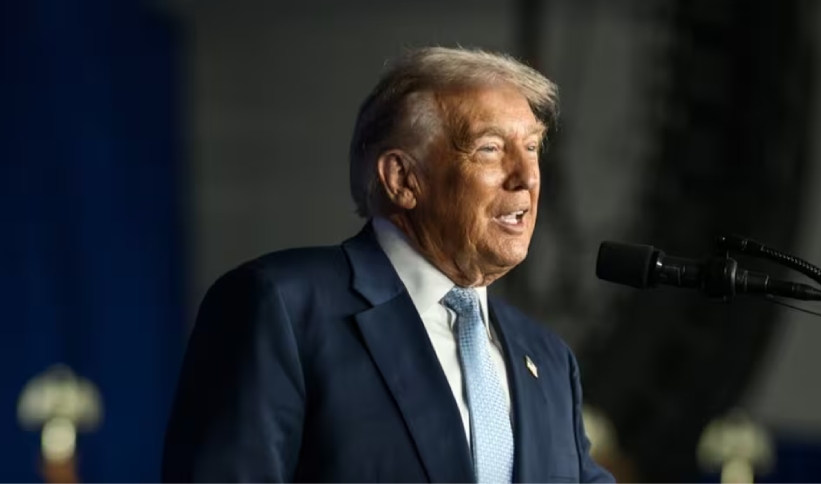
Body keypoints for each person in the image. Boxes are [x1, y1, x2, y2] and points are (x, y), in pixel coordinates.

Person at [161, 46, 614, 483]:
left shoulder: (549, 359)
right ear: (402, 179)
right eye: (490, 148)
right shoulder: (281, 308)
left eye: (532, 147)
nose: (527, 177)